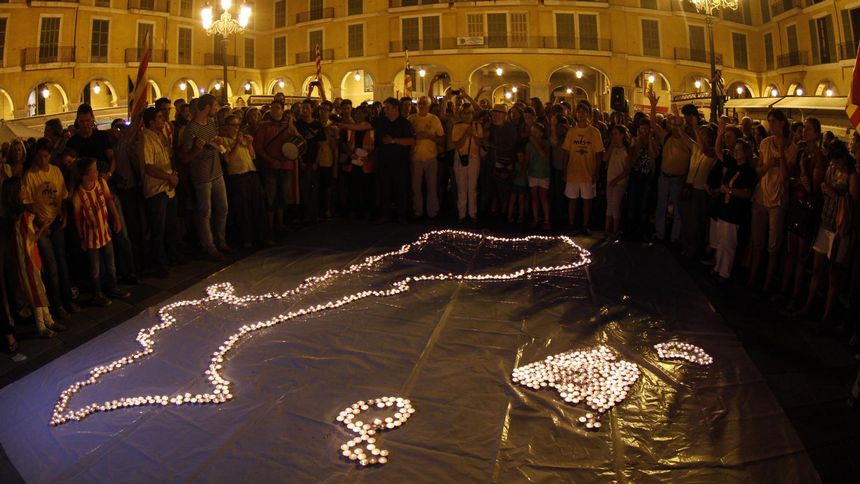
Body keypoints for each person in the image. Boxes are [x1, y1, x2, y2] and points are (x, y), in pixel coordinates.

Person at [799, 141, 860, 321]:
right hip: (825, 222)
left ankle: (827, 315)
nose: (834, 165)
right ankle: (809, 305)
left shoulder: (852, 175)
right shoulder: (831, 169)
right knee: (818, 268)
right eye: (832, 162)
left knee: (833, 272)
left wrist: (833, 194)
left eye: (837, 162)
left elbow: (854, 205)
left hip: (839, 228)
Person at [2, 177, 65, 337]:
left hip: (30, 256)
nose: (25, 189)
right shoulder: (22, 216)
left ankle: (48, 320)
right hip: (27, 259)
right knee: (35, 290)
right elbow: (28, 241)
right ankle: (41, 326)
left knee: (40, 288)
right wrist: (44, 226)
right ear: (16, 192)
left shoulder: (21, 214)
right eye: (22, 187)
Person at [24, 139, 79, 319]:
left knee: (62, 260)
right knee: (51, 264)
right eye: (40, 157)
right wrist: (40, 223)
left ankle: (67, 299)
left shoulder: (55, 172)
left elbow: (62, 195)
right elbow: (29, 203)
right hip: (42, 226)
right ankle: (57, 305)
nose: (43, 160)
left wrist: (64, 214)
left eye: (46, 156)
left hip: (55, 222)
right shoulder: (30, 176)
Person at [748, 109, 797, 292]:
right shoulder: (765, 143)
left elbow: (786, 176)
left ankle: (767, 285)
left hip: (778, 201)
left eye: (774, 121)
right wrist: (769, 164)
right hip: (761, 197)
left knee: (773, 246)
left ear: (782, 123)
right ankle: (752, 279)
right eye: (769, 121)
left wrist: (782, 154)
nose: (771, 125)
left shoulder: (792, 147)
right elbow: (758, 171)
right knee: (757, 241)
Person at [72, 157, 130, 306]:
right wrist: (81, 238)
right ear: (86, 174)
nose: (97, 172)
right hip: (91, 237)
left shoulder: (101, 183)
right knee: (95, 268)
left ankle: (113, 287)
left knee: (110, 263)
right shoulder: (78, 195)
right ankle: (97, 293)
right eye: (94, 170)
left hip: (105, 231)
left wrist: (116, 218)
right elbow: (78, 219)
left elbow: (110, 201)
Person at [181, 94, 230, 260]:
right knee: (205, 212)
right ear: (207, 107)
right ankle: (209, 246)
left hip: (216, 172)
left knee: (223, 208)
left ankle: (221, 240)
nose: (216, 109)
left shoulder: (211, 123)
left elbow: (214, 141)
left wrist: (219, 146)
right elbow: (185, 157)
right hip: (202, 176)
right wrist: (197, 150)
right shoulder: (191, 129)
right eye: (214, 106)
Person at [215, 114, 270, 248]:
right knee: (242, 210)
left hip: (251, 173)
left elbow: (252, 156)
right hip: (237, 177)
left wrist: (250, 144)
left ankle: (261, 237)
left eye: (237, 125)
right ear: (226, 126)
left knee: (257, 207)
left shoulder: (243, 139)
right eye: (233, 125)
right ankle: (246, 239)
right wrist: (238, 144)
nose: (235, 128)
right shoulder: (222, 141)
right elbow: (229, 160)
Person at [139, 106, 180, 277]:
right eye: (160, 117)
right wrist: (167, 177)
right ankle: (160, 264)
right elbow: (149, 167)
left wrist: (173, 174)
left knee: (170, 226)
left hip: (168, 188)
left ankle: (173, 257)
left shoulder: (161, 137)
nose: (163, 120)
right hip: (156, 189)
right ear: (151, 121)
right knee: (158, 229)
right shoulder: (146, 139)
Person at [648, 88, 691, 244]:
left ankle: (674, 237)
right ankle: (660, 234)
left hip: (678, 180)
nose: (673, 126)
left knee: (678, 211)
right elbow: (653, 123)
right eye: (671, 123)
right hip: (664, 177)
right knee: (661, 207)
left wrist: (677, 118)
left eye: (677, 124)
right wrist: (653, 105)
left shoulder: (687, 142)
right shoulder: (666, 137)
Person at [254, 100, 298, 235]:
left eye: (277, 108)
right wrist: (271, 160)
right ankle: (270, 227)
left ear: (282, 110)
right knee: (271, 196)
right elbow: (259, 147)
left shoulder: (288, 126)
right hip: (270, 166)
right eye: (272, 108)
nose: (274, 110)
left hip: (285, 165)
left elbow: (298, 140)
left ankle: (280, 224)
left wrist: (291, 126)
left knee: (283, 195)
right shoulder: (264, 126)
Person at [561, 100, 604, 235]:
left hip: (588, 172)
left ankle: (585, 224)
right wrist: (564, 170)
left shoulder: (594, 132)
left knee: (587, 200)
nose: (581, 114)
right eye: (579, 112)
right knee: (572, 200)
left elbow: (599, 153)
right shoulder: (571, 132)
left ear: (588, 114)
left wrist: (597, 171)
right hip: (573, 171)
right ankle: (571, 223)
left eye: (584, 112)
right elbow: (566, 152)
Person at [374, 97, 415, 224]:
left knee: (400, 190)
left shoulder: (404, 123)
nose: (385, 110)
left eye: (387, 107)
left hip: (400, 163)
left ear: (395, 108)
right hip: (384, 162)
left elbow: (411, 140)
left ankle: (402, 216)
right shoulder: (382, 122)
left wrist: (393, 140)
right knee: (384, 190)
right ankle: (385, 214)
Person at [409, 96, 445, 219]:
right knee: (416, 186)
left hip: (431, 158)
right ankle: (417, 210)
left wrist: (429, 136)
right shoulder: (412, 119)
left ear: (428, 105)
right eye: (420, 103)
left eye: (424, 104)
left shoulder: (434, 119)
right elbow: (407, 137)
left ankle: (432, 211)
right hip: (415, 158)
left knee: (432, 185)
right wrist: (415, 136)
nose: (422, 105)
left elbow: (441, 139)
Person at [295, 98, 327, 224]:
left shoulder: (317, 125)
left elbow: (320, 145)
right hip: (302, 160)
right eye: (302, 108)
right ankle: (304, 215)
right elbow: (294, 144)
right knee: (302, 189)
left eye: (307, 108)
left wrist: (316, 162)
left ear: (312, 109)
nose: (304, 110)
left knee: (313, 188)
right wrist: (300, 161)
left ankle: (313, 215)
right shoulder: (298, 124)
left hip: (313, 160)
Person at [452, 104, 483, 223]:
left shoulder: (477, 125)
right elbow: (457, 145)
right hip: (460, 158)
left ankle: (472, 213)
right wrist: (466, 134)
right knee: (461, 187)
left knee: (472, 187)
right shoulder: (457, 126)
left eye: (470, 112)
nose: (468, 115)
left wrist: (474, 135)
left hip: (474, 157)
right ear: (461, 114)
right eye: (465, 113)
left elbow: (480, 144)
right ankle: (462, 213)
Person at [604, 125, 631, 235]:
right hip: (610, 180)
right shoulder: (613, 148)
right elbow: (604, 158)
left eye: (616, 134)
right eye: (613, 134)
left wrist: (617, 179)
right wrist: (611, 145)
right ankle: (606, 229)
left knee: (615, 205)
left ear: (622, 135)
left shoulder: (626, 151)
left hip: (619, 182)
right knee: (609, 205)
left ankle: (615, 230)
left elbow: (627, 170)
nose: (614, 136)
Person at [526, 122, 551, 230]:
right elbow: (527, 159)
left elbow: (543, 153)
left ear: (541, 133)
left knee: (544, 198)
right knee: (534, 197)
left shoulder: (546, 143)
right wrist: (525, 171)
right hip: (533, 173)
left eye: (535, 131)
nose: (533, 134)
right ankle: (536, 218)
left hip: (543, 174)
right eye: (532, 132)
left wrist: (534, 142)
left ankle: (546, 220)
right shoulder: (528, 145)